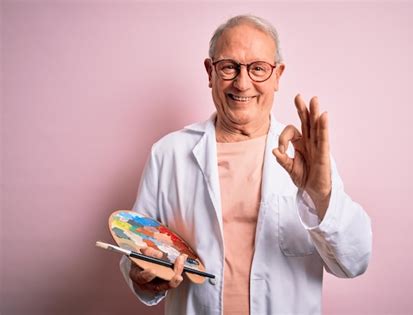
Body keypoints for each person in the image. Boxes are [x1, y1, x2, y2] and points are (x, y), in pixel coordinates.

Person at [119, 14, 372, 315]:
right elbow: (136, 246)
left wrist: (320, 196)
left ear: (278, 75)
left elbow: (354, 262)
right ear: (209, 72)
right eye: (229, 67)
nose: (242, 83)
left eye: (258, 69)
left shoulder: (307, 158)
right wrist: (143, 275)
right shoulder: (168, 153)